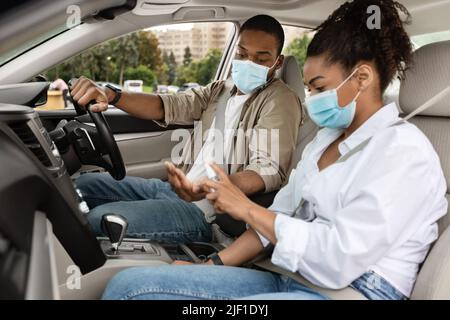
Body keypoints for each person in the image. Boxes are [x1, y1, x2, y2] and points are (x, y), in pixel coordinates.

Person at [101, 0, 447, 300]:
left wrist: (246, 208)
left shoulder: (404, 153)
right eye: (310, 87)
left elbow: (337, 260)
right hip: (291, 276)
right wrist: (209, 266)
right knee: (131, 286)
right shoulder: (325, 142)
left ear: (362, 78)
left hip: (352, 290)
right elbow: (273, 225)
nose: (311, 99)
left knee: (132, 292)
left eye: (319, 87)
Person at [72, 15, 302, 243]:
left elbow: (266, 170)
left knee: (97, 220)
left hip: (206, 212)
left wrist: (209, 188)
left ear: (278, 62)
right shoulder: (221, 89)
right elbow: (167, 106)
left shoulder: (280, 100)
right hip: (175, 191)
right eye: (242, 54)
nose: (248, 63)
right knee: (81, 186)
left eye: (261, 59)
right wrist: (113, 95)